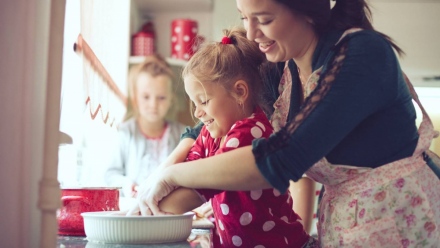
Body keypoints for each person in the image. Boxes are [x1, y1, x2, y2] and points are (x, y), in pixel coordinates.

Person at [131, 0, 440, 247]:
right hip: (349, 225)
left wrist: (172, 174)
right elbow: (205, 127)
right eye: (244, 18)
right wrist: (162, 175)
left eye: (263, 20)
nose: (251, 33)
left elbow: (280, 158)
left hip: (404, 221)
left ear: (305, 11)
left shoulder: (362, 55)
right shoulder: (282, 70)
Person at [131, 27, 314, 248]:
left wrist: (144, 209)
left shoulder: (250, 133)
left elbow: (197, 189)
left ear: (239, 92)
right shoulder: (211, 133)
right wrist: (154, 192)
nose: (198, 113)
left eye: (204, 101)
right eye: (194, 103)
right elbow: (190, 164)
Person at [104, 54, 185, 198]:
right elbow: (111, 174)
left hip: (170, 209)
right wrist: (128, 186)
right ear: (135, 98)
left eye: (161, 98)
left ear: (171, 100)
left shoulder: (183, 134)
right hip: (133, 208)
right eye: (146, 97)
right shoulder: (125, 132)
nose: (153, 105)